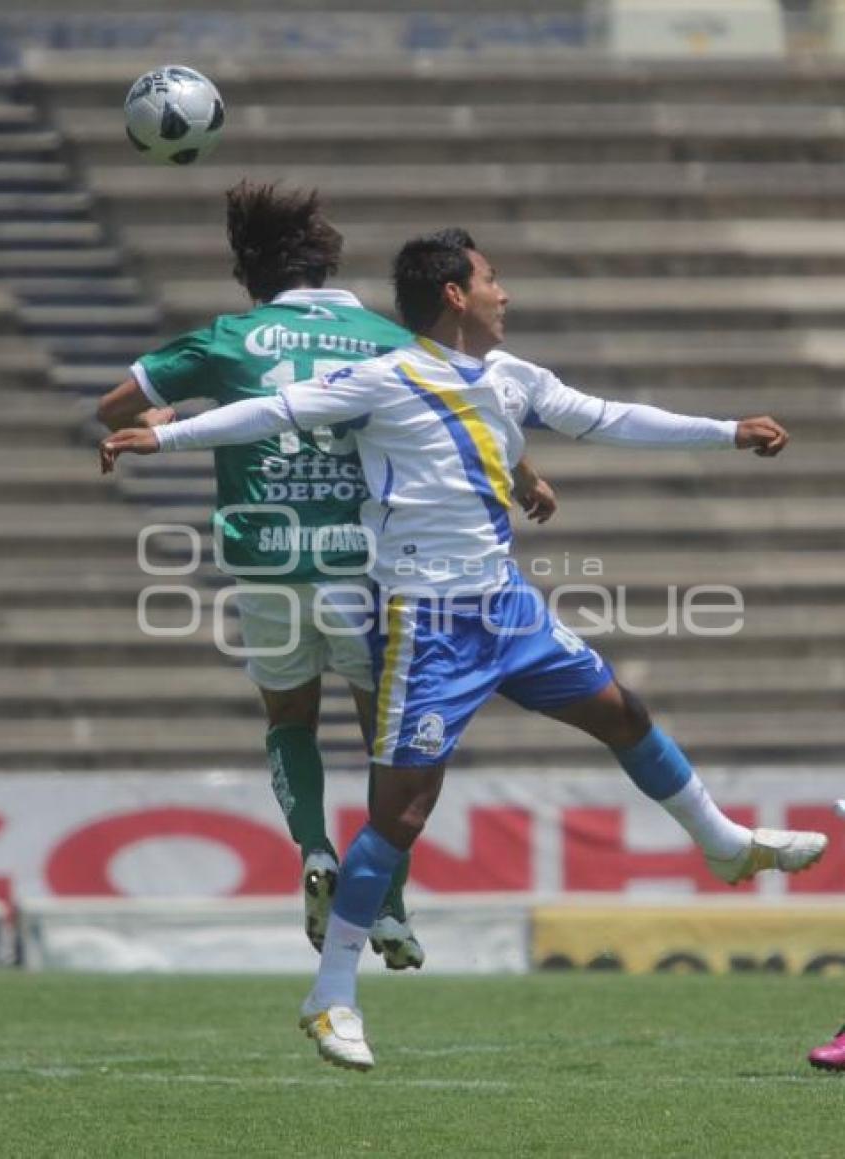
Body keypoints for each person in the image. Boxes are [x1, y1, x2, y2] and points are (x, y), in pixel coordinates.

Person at [100, 227, 828, 1071]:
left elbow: (608, 418)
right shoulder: (385, 376)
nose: (504, 293)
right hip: (428, 623)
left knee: (622, 713)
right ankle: (330, 995)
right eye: (492, 279)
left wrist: (725, 429)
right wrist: (164, 437)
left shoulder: (514, 378)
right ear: (454, 293)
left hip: (507, 606)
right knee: (403, 814)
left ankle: (722, 841)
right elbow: (277, 410)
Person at [97, 187, 553, 968]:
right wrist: (526, 476)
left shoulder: (230, 336)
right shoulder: (383, 337)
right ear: (329, 263)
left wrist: (167, 422)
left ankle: (314, 847)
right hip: (362, 567)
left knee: (289, 717)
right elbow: (467, 406)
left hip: (265, 561)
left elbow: (117, 409)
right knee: (394, 736)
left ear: (254, 274)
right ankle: (391, 909)